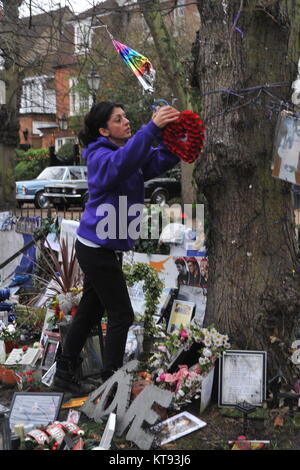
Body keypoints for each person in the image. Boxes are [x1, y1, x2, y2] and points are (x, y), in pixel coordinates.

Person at [52, 101, 180, 395]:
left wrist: (174, 139)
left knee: (89, 312)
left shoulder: (125, 153)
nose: (126, 122)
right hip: (96, 247)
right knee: (122, 313)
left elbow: (154, 161)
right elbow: (122, 164)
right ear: (103, 130)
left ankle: (64, 372)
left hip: (105, 248)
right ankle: (111, 384)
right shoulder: (99, 155)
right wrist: (152, 128)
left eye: (126, 117)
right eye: (118, 119)